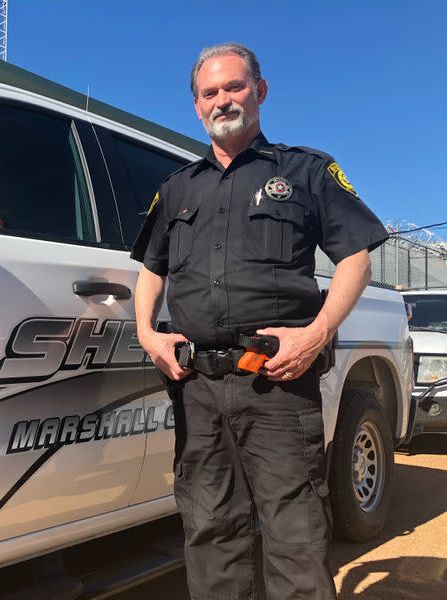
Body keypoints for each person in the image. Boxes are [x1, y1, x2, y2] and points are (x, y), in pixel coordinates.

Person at [131, 43, 389, 599]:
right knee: (209, 527)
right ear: (196, 106)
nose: (222, 100)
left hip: (276, 381)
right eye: (210, 93)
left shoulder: (305, 171)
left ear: (260, 91)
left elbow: (356, 258)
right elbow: (151, 270)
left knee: (294, 530)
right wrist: (147, 333)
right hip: (195, 385)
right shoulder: (177, 187)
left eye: (234, 87)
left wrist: (318, 332)